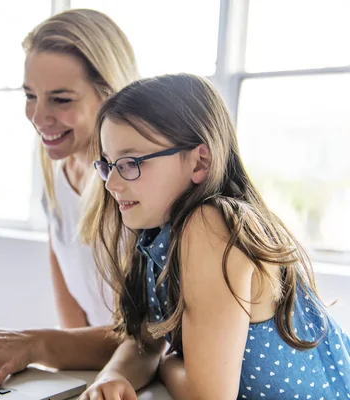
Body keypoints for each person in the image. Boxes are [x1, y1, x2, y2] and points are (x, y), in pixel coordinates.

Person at [78, 73, 350, 399]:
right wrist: (112, 376)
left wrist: (168, 363)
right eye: (109, 164)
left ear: (200, 162)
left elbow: (206, 397)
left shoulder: (211, 226)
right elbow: (146, 342)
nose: (111, 183)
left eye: (131, 162)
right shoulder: (157, 234)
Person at [0, 9, 166, 390]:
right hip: (100, 377)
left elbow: (150, 337)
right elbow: (75, 322)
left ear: (111, 95)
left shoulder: (137, 186)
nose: (38, 116)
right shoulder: (56, 166)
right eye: (30, 96)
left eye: (61, 100)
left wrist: (35, 344)